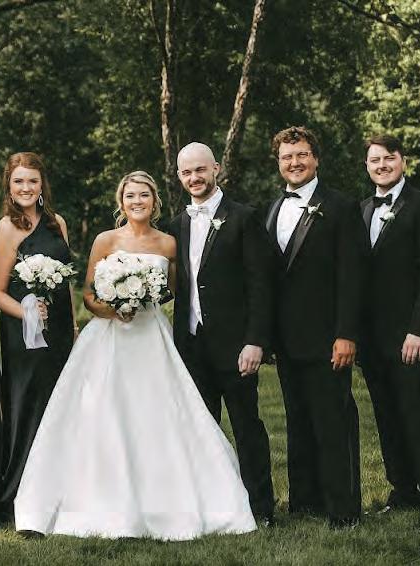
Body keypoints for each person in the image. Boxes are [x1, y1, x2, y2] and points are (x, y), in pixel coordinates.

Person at [14, 171, 256, 541]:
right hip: (108, 338)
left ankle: (163, 503)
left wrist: (144, 298)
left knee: (157, 414)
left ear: (154, 200)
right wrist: (114, 308)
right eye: (130, 196)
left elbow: (174, 291)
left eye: (143, 195)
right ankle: (97, 502)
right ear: (121, 201)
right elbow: (89, 296)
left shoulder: (168, 243)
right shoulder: (106, 240)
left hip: (151, 336)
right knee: (102, 413)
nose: (137, 201)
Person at [167, 142, 276, 524]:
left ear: (216, 168)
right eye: (186, 172)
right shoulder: (176, 225)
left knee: (247, 427)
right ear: (179, 176)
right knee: (201, 430)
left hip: (236, 345)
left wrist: (255, 341)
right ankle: (210, 507)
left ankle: (261, 507)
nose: (194, 178)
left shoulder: (244, 218)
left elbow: (261, 286)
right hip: (191, 345)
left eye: (200, 169)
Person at [264, 126, 367, 529]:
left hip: (329, 336)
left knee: (333, 422)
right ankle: (305, 500)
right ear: (279, 163)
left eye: (302, 154)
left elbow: (352, 277)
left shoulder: (341, 207)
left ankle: (344, 508)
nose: (295, 162)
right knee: (298, 421)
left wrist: (347, 334)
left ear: (316, 159)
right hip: (287, 338)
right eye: (287, 157)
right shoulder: (272, 208)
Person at [356, 135, 420, 526]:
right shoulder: (363, 209)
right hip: (372, 338)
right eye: (375, 160)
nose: (382, 165)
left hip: (410, 335)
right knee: (387, 416)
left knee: (418, 416)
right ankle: (402, 490)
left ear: (402, 161)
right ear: (367, 166)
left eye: (389, 158)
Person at [0, 152, 75, 516]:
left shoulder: (57, 223)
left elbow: (66, 281)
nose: (26, 188)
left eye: (33, 181)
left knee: (60, 404)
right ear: (9, 186)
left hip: (59, 332)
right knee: (27, 405)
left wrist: (72, 326)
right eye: (19, 181)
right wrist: (26, 311)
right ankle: (19, 493)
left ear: (42, 185)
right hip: (24, 335)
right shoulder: (7, 228)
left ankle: (60, 490)